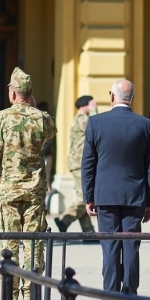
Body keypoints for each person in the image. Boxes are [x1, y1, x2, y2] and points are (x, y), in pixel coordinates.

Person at [0, 67, 56, 300]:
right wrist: (32, 107)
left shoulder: (0, 118)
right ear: (30, 93)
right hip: (34, 191)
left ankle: (9, 293)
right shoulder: (42, 118)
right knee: (33, 242)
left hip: (8, 190)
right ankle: (30, 294)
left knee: (8, 242)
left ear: (12, 94)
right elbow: (50, 134)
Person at [82, 79, 150, 293]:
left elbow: (88, 163)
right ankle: (131, 292)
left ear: (111, 97)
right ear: (132, 98)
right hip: (135, 195)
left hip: (105, 195)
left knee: (110, 246)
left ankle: (111, 293)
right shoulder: (146, 125)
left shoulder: (96, 123)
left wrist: (89, 196)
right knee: (131, 245)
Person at [55, 95, 97, 233]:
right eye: (91, 103)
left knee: (84, 194)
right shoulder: (82, 119)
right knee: (84, 196)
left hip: (78, 162)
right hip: (79, 163)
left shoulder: (79, 119)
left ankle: (88, 231)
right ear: (85, 105)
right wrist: (94, 111)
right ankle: (65, 220)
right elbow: (95, 130)